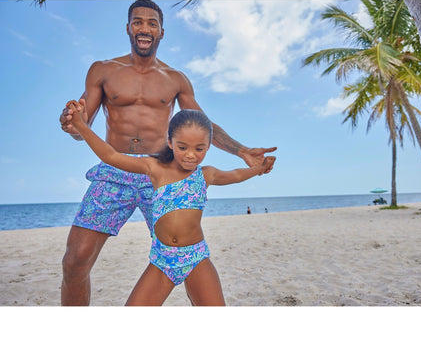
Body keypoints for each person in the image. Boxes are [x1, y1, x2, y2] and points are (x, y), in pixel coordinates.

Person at [59, 0, 276, 306]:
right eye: (138, 21)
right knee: (75, 260)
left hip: (163, 172)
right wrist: (72, 123)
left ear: (161, 32)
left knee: (186, 256)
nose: (144, 28)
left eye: (152, 23)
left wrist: (241, 151)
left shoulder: (176, 79)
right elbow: (81, 125)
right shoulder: (103, 70)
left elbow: (202, 125)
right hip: (116, 168)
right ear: (128, 28)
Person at [67, 103, 276, 305]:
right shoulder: (155, 169)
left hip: (196, 259)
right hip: (162, 261)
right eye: (182, 147)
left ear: (208, 147)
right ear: (170, 142)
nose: (191, 155)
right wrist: (81, 125)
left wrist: (260, 168)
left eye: (199, 148)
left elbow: (237, 175)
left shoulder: (206, 175)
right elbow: (110, 155)